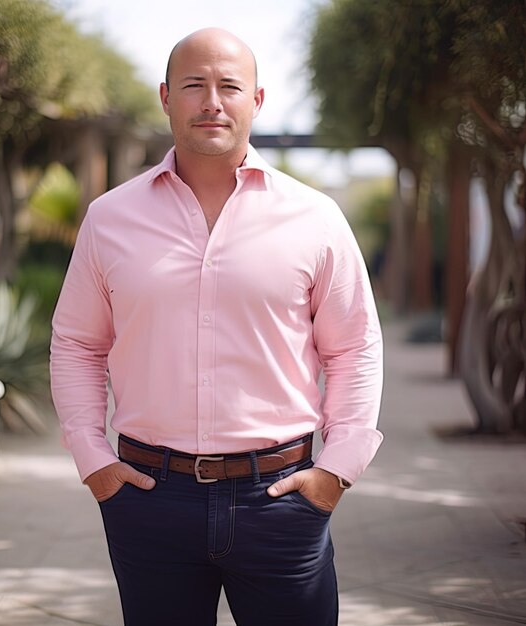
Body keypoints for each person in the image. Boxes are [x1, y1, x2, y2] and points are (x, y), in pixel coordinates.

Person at [50, 27, 383, 626]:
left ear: (255, 100)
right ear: (165, 97)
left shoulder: (316, 218)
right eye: (193, 85)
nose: (212, 101)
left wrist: (339, 467)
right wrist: (93, 460)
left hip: (282, 498)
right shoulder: (109, 218)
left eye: (229, 86)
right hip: (148, 499)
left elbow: (355, 346)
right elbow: (77, 344)